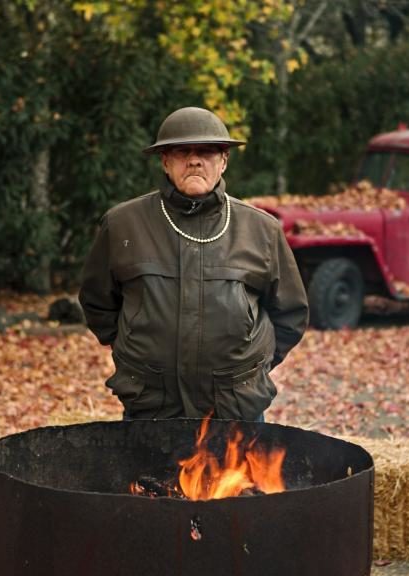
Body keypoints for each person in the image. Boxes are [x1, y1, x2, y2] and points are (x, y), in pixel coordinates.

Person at [78, 106, 308, 422]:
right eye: (183, 151)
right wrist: (133, 352)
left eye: (206, 151)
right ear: (165, 161)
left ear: (224, 161)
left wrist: (251, 366)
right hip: (151, 404)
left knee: (240, 475)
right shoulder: (122, 225)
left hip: (235, 407)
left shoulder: (261, 230)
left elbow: (291, 313)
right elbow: (97, 301)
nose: (195, 160)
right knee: (147, 474)